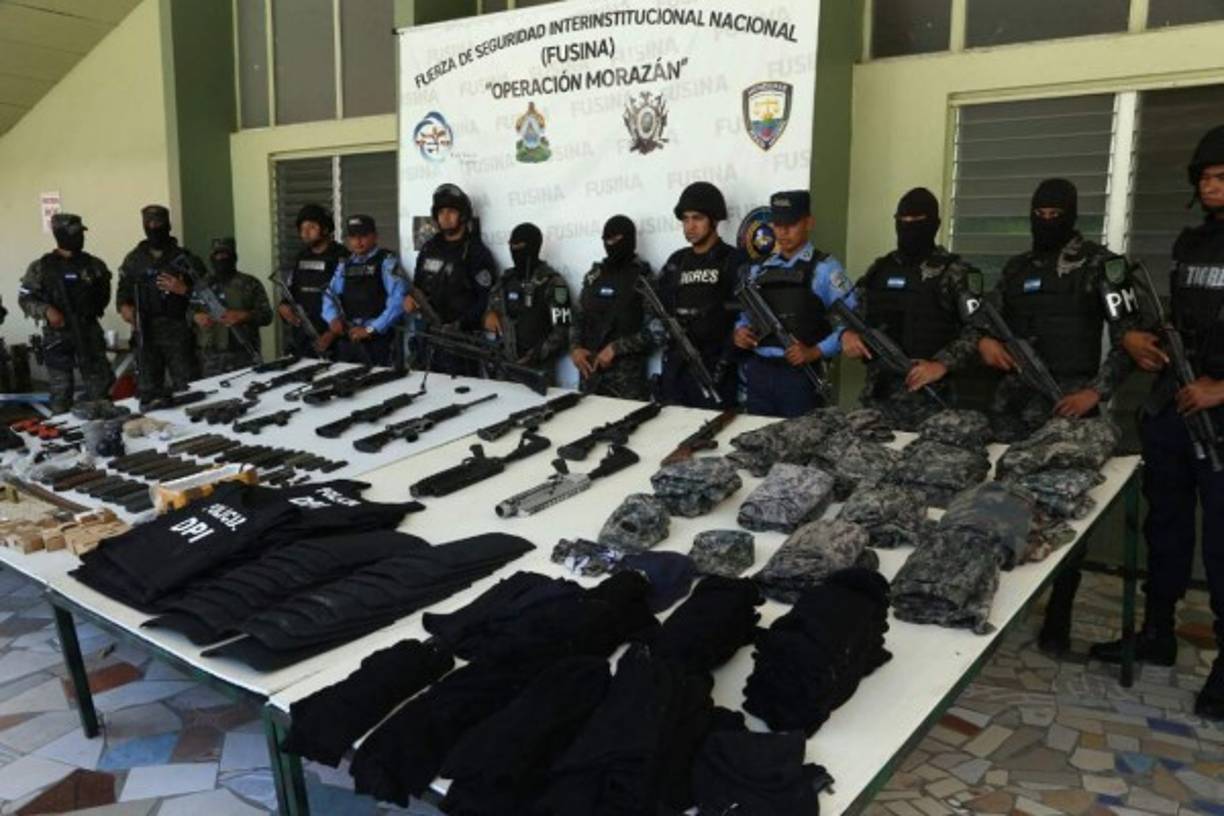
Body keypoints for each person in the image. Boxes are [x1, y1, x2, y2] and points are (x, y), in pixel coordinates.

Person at [968, 178, 1142, 656]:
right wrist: (986, 342)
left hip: (1070, 405)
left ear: (1071, 215)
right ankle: (998, 600)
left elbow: (1130, 339)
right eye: (1038, 213)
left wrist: (1095, 392)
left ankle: (1058, 616)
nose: (1045, 220)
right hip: (1014, 407)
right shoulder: (1017, 267)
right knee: (1000, 504)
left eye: (1054, 213)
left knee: (1065, 513)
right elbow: (983, 319)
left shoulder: (1101, 266)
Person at [1092, 125, 1224, 720]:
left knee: (1222, 546)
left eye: (1223, 175)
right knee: (1165, 530)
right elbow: (1175, 316)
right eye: (1206, 176)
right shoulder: (1190, 245)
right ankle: (1158, 631)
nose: (1213, 184)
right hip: (1174, 407)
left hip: (1218, 416)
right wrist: (1139, 336)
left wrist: (1221, 388)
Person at [840, 188, 983, 430]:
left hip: (931, 398)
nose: (908, 228)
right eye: (902, 222)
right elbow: (847, 314)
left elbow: (978, 330)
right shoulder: (880, 270)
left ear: (935, 224)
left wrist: (941, 364)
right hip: (878, 395)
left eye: (917, 222)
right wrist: (846, 334)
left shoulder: (955, 272)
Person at [733, 190, 855, 418]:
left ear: (809, 223)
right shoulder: (758, 269)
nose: (783, 232)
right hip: (759, 371)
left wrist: (815, 351)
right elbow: (745, 315)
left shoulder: (825, 269)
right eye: (778, 225)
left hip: (800, 376)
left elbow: (851, 324)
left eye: (791, 224)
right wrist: (739, 331)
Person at [655, 182, 742, 408]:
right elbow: (658, 307)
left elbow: (746, 315)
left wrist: (727, 356)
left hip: (716, 372)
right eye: (685, 219)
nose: (690, 226)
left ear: (714, 220)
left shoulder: (733, 260)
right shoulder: (677, 261)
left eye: (697, 218)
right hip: (676, 370)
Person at [18, 213, 114, 413]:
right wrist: (46, 310)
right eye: (73, 233)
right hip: (58, 336)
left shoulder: (94, 265)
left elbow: (103, 296)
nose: (79, 237)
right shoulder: (41, 267)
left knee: (100, 390)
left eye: (80, 232)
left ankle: (104, 434)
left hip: (88, 332)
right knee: (61, 394)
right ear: (59, 234)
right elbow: (25, 298)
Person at [405, 184, 498, 374]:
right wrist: (410, 299)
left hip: (460, 343)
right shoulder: (429, 248)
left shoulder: (476, 252)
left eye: (451, 211)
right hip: (427, 337)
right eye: (441, 212)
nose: (445, 217)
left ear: (462, 215)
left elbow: (486, 299)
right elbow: (417, 285)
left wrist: (459, 325)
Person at [116, 205, 204, 399]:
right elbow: (122, 294)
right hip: (146, 331)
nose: (154, 227)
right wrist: (126, 309)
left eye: (159, 223)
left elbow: (207, 297)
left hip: (179, 331)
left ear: (168, 225)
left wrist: (184, 290)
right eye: (149, 223)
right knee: (148, 391)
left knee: (188, 387)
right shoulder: (134, 259)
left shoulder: (186, 258)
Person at [569, 215, 654, 400]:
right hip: (589, 376)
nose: (611, 244)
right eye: (607, 240)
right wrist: (575, 348)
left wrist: (616, 348)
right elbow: (578, 317)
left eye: (616, 239)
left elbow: (657, 332)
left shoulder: (644, 279)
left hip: (626, 383)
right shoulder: (594, 276)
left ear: (630, 239)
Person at [483, 222, 572, 383]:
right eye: (512, 245)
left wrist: (536, 355)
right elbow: (491, 310)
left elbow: (563, 329)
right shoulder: (505, 281)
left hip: (537, 371)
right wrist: (489, 315)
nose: (515, 250)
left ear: (534, 246)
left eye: (520, 246)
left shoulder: (554, 283)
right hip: (504, 370)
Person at [320, 215, 406, 367]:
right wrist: (332, 318)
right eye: (353, 237)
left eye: (363, 236)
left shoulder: (386, 261)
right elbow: (329, 294)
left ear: (375, 236)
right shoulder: (345, 264)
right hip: (350, 336)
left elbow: (398, 302)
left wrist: (371, 329)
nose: (358, 241)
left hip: (378, 339)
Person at [191, 238, 272, 377]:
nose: (221, 259)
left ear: (234, 257)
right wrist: (196, 317)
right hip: (211, 356)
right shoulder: (202, 286)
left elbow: (267, 316)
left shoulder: (250, 283)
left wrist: (244, 315)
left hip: (244, 353)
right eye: (217, 255)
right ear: (211, 258)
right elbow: (189, 311)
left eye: (225, 255)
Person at [280, 204, 346, 358]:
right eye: (302, 229)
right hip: (303, 334)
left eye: (311, 227)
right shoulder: (301, 256)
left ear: (325, 229)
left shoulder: (342, 256)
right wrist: (283, 306)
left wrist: (332, 332)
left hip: (334, 337)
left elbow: (349, 298)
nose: (305, 233)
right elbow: (292, 288)